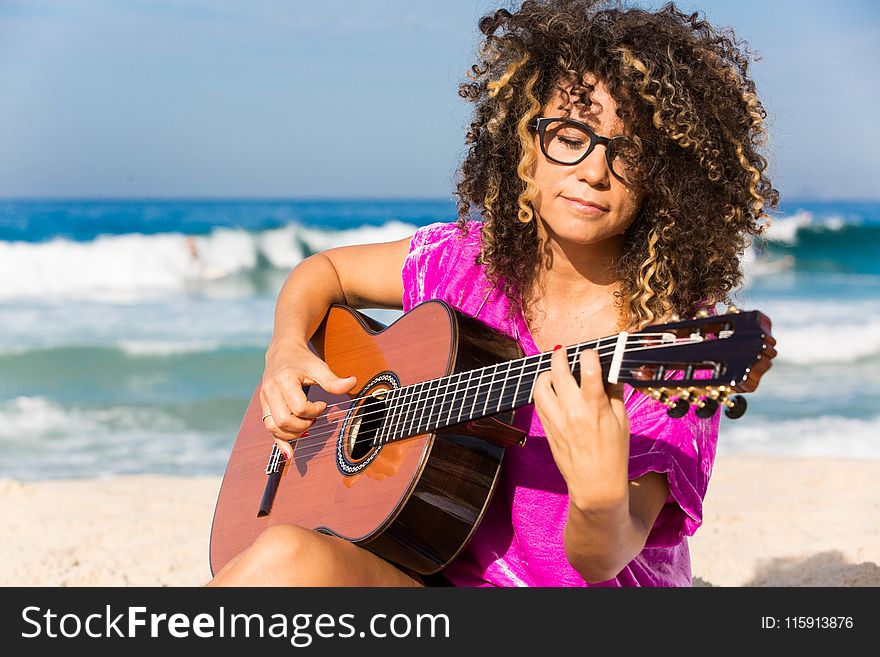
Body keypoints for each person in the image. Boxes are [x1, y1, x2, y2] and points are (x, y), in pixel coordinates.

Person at [207, 0, 777, 587]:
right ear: (524, 146)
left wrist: (600, 494)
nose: (593, 171)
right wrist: (285, 350)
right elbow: (323, 271)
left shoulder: (665, 341)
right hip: (434, 576)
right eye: (570, 136)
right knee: (283, 556)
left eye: (628, 152)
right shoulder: (463, 263)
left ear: (670, 180)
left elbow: (603, 559)